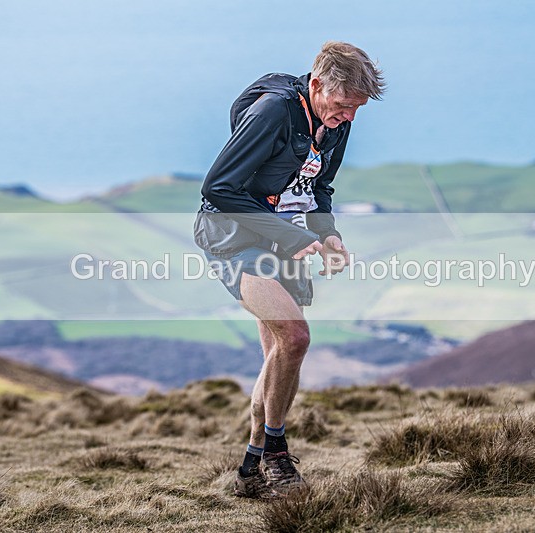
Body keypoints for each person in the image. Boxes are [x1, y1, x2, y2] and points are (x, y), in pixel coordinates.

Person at [193, 41, 385, 499]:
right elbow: (218, 188)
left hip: (287, 234)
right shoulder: (273, 113)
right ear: (317, 85)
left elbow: (320, 186)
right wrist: (297, 239)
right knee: (295, 337)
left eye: (357, 109)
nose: (349, 118)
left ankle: (250, 464)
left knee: (280, 354)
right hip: (234, 236)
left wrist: (329, 232)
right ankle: (276, 453)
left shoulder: (336, 121)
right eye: (342, 106)